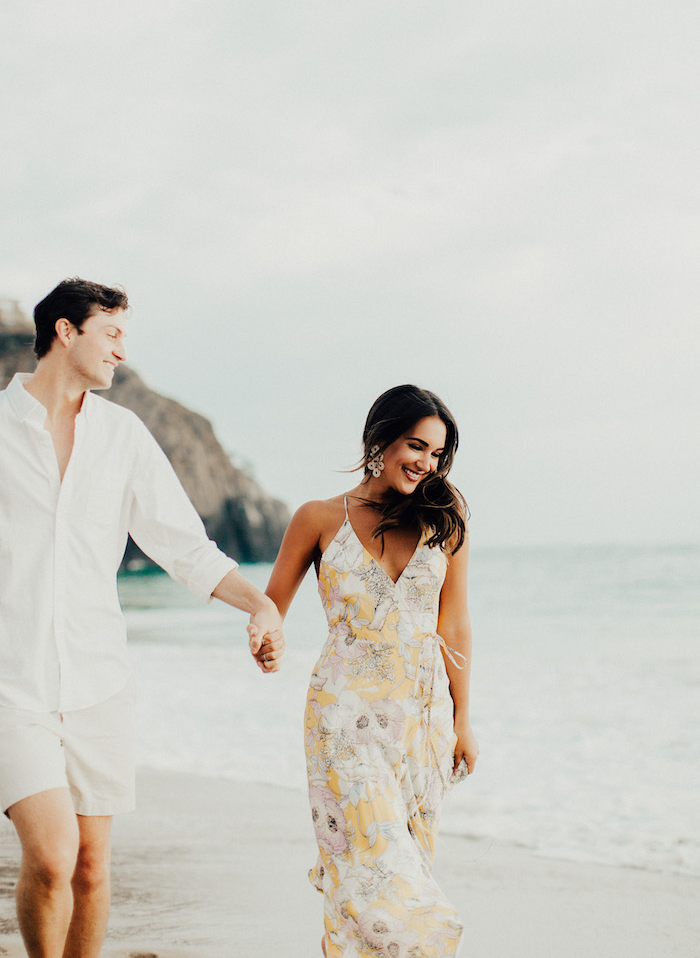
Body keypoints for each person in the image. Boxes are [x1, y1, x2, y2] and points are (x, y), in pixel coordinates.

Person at [0, 278, 284, 958]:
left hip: (99, 683)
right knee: (51, 858)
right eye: (112, 333)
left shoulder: (122, 435)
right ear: (65, 332)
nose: (122, 351)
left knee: (93, 868)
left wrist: (261, 604)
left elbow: (182, 544)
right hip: (12, 686)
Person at [265, 384, 478, 957]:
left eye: (437, 454)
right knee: (373, 870)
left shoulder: (444, 520)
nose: (426, 464)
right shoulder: (317, 517)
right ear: (380, 439)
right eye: (416, 445)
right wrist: (265, 637)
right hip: (342, 718)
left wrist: (464, 720)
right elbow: (271, 608)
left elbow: (453, 628)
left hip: (422, 723)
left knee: (408, 857)